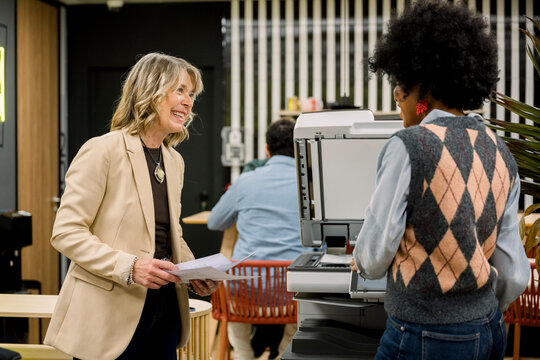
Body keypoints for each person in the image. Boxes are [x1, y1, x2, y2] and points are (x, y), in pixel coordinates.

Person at [350, 1, 530, 359]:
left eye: (400, 87)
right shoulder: (500, 151)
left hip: (422, 335)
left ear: (420, 86)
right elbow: (513, 273)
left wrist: (361, 257)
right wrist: (473, 311)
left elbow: (372, 257)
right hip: (490, 330)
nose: (397, 97)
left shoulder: (410, 145)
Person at [44, 53, 221, 360]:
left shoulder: (174, 160)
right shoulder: (103, 150)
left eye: (191, 95)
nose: (188, 102)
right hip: (108, 316)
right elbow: (66, 233)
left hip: (165, 308)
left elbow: (170, 234)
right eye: (180, 90)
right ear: (151, 91)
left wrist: (194, 270)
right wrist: (130, 267)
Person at [207, 118, 304, 360]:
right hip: (292, 297)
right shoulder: (309, 185)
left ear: (267, 150)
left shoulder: (245, 182)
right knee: (308, 294)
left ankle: (243, 354)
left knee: (232, 284)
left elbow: (215, 222)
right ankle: (284, 353)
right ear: (299, 147)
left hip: (245, 298)